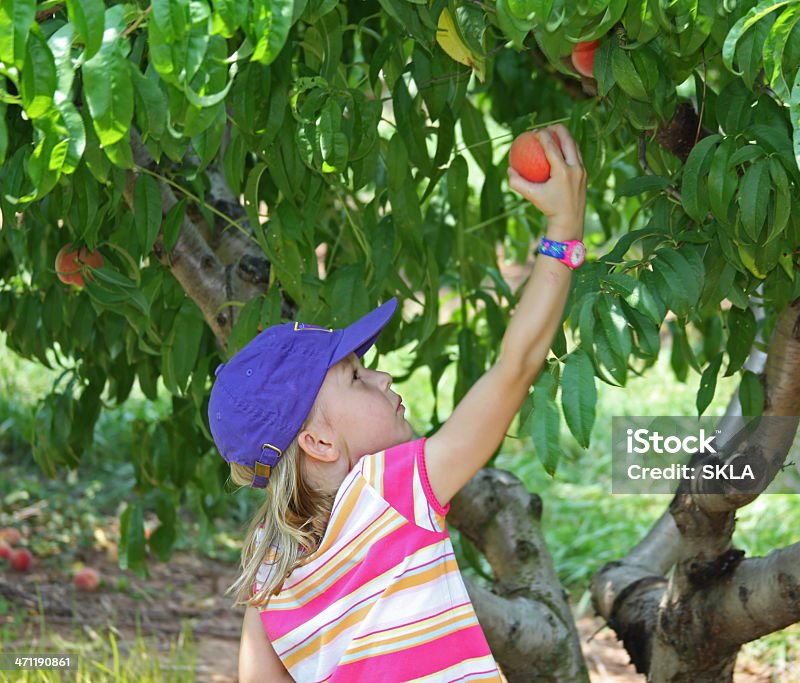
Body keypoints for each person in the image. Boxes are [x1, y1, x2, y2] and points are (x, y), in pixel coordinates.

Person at [208, 123, 587, 682]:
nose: (384, 378)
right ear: (317, 440)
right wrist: (564, 227)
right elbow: (516, 367)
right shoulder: (387, 491)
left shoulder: (267, 569)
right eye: (357, 378)